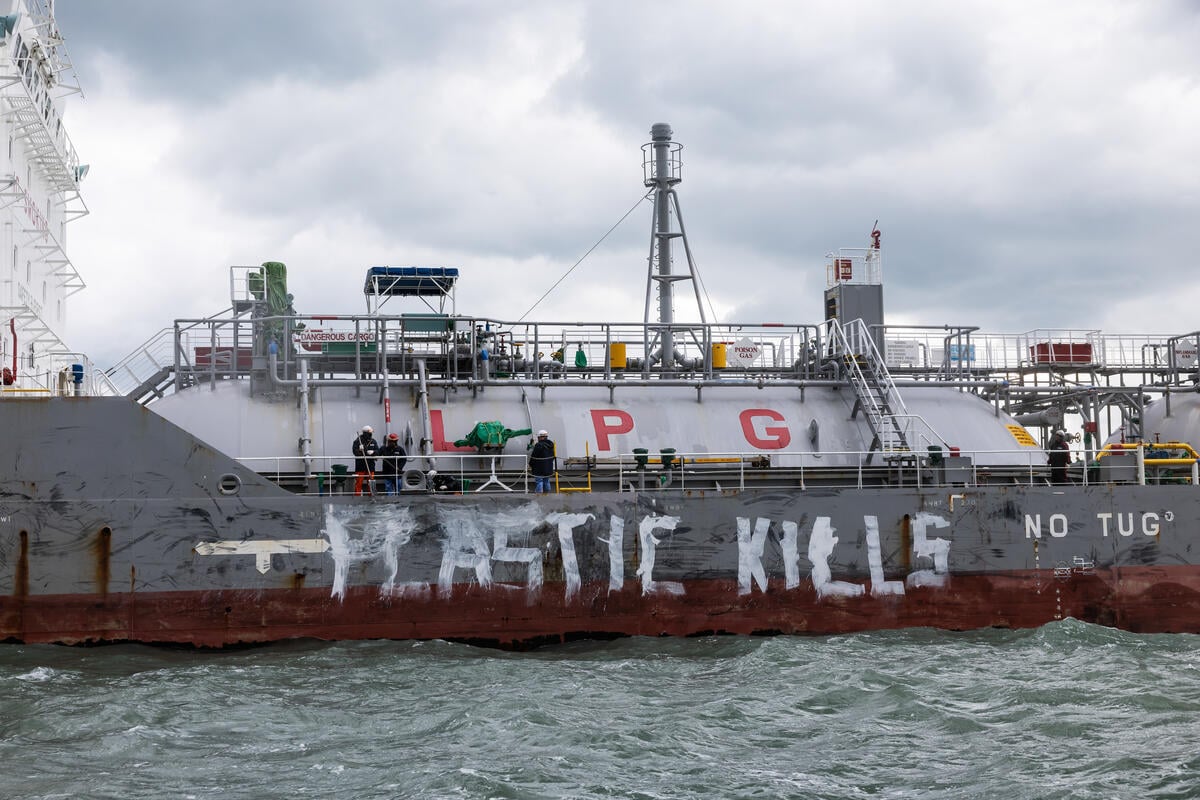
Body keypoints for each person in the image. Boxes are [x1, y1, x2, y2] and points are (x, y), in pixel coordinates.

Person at [352, 425, 379, 496]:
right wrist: (360, 450)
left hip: (370, 466)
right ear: (365, 433)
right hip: (360, 466)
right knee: (358, 483)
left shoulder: (373, 441)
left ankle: (372, 497)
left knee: (371, 483)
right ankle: (357, 497)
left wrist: (373, 452)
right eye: (369, 433)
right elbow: (355, 452)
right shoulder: (358, 441)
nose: (371, 434)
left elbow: (378, 451)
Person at [529, 429, 556, 493]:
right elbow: (553, 456)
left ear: (540, 437)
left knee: (539, 481)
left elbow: (534, 456)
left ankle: (539, 495)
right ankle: (547, 495)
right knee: (546, 481)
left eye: (538, 437)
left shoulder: (539, 445)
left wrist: (530, 464)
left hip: (539, 468)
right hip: (548, 467)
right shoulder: (551, 445)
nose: (538, 439)